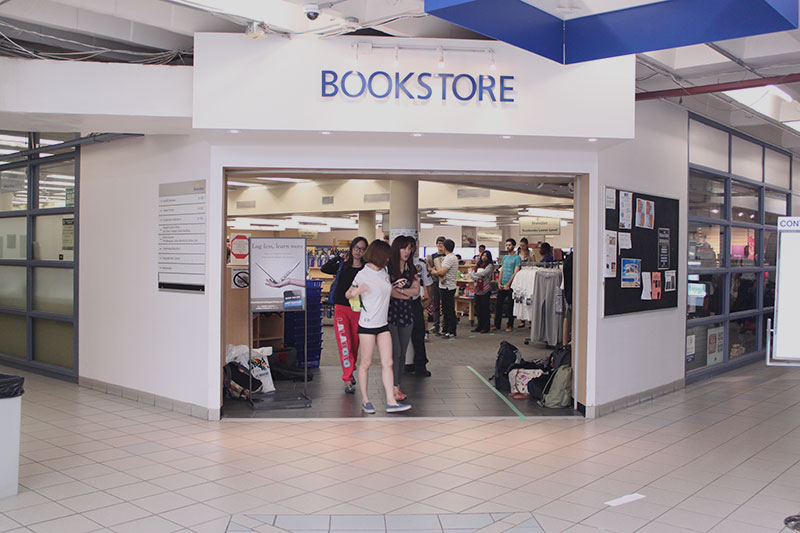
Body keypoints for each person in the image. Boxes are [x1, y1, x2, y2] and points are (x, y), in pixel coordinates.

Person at [345, 240, 411, 414]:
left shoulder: (384, 272)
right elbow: (348, 294)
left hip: (382, 325)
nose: (388, 259)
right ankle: (365, 400)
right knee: (365, 363)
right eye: (386, 256)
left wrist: (395, 286)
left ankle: (391, 401)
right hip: (367, 325)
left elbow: (383, 290)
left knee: (388, 362)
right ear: (379, 255)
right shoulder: (362, 274)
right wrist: (357, 291)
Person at [320, 236, 367, 394]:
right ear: (351, 248)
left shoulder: (366, 269)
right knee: (344, 344)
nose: (358, 251)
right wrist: (337, 258)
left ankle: (350, 369)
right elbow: (325, 268)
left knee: (354, 344)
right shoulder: (342, 265)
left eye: (362, 249)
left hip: (359, 310)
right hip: (341, 309)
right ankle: (347, 378)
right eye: (356, 248)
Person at [387, 236, 419, 401]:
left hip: (407, 314)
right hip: (390, 314)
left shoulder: (411, 269)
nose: (407, 252)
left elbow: (416, 291)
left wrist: (400, 292)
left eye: (409, 248)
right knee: (395, 351)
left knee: (402, 353)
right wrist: (406, 293)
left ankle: (397, 385)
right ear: (396, 249)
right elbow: (389, 292)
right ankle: (393, 386)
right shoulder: (388, 268)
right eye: (403, 248)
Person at [408, 237, 433, 376]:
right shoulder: (394, 263)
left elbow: (428, 281)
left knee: (419, 333)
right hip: (399, 303)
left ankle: (420, 364)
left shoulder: (420, 264)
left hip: (415, 302)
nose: (409, 250)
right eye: (406, 247)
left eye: (412, 247)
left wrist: (429, 297)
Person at [430, 238, 459, 338]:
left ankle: (451, 331)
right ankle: (446, 329)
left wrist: (434, 272)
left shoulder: (450, 258)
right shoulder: (449, 257)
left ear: (445, 247)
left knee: (449, 310)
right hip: (445, 286)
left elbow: (442, 272)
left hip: (448, 287)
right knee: (446, 310)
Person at [494, 238, 521, 332]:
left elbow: (515, 272)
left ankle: (510, 325)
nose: (508, 247)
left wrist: (508, 284)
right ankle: (497, 325)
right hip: (502, 283)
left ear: (513, 246)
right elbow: (502, 270)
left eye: (509, 245)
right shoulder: (505, 257)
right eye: (507, 245)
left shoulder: (517, 258)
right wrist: (499, 282)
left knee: (510, 306)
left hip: (511, 285)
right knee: (498, 305)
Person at [470, 250, 495, 333]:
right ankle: (479, 326)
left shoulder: (490, 266)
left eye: (486, 256)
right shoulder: (478, 265)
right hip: (477, 289)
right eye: (483, 255)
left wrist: (474, 275)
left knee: (485, 309)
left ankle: (486, 327)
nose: (484, 257)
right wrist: (476, 276)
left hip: (485, 289)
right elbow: (472, 275)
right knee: (478, 309)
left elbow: (484, 274)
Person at [426, 236, 446, 335]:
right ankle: (436, 325)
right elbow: (429, 268)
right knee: (435, 304)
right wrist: (431, 268)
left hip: (444, 282)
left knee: (445, 304)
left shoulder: (447, 256)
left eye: (441, 243)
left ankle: (444, 326)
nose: (439, 245)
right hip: (435, 281)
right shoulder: (433, 256)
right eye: (438, 243)